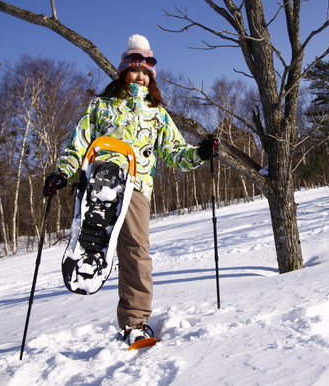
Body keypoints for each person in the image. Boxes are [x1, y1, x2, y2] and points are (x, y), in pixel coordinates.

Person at [43, 34, 219, 345]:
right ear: (124, 72)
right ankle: (91, 240)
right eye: (134, 70)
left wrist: (200, 153)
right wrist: (62, 174)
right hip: (100, 180)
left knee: (136, 251)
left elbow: (175, 152)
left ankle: (135, 322)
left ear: (151, 77)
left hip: (137, 186)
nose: (139, 76)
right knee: (113, 231)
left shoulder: (157, 113)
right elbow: (78, 143)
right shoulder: (101, 106)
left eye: (146, 72)